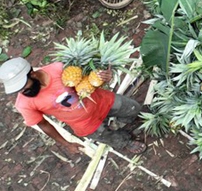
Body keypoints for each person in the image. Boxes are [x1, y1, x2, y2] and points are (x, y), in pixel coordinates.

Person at [0, 57, 146, 156]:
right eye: (17, 89)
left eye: (24, 86)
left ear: (32, 74)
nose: (23, 92)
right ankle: (126, 141)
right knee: (110, 138)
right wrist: (66, 144)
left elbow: (90, 78)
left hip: (103, 101)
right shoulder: (24, 104)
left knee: (133, 108)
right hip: (85, 125)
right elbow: (43, 124)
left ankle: (133, 118)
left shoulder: (59, 69)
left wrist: (104, 77)